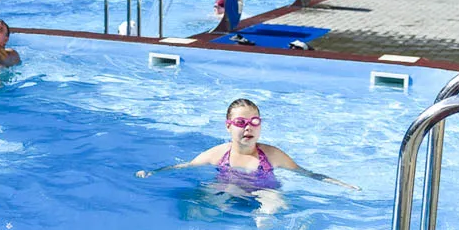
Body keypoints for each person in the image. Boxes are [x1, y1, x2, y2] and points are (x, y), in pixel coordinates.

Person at [135, 98, 359, 191]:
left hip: (264, 191)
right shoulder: (217, 154)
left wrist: (342, 185)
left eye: (254, 122)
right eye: (241, 122)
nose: (248, 127)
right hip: (229, 190)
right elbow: (185, 166)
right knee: (207, 203)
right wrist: (153, 173)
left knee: (271, 206)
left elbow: (308, 174)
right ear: (228, 126)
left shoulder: (272, 155)